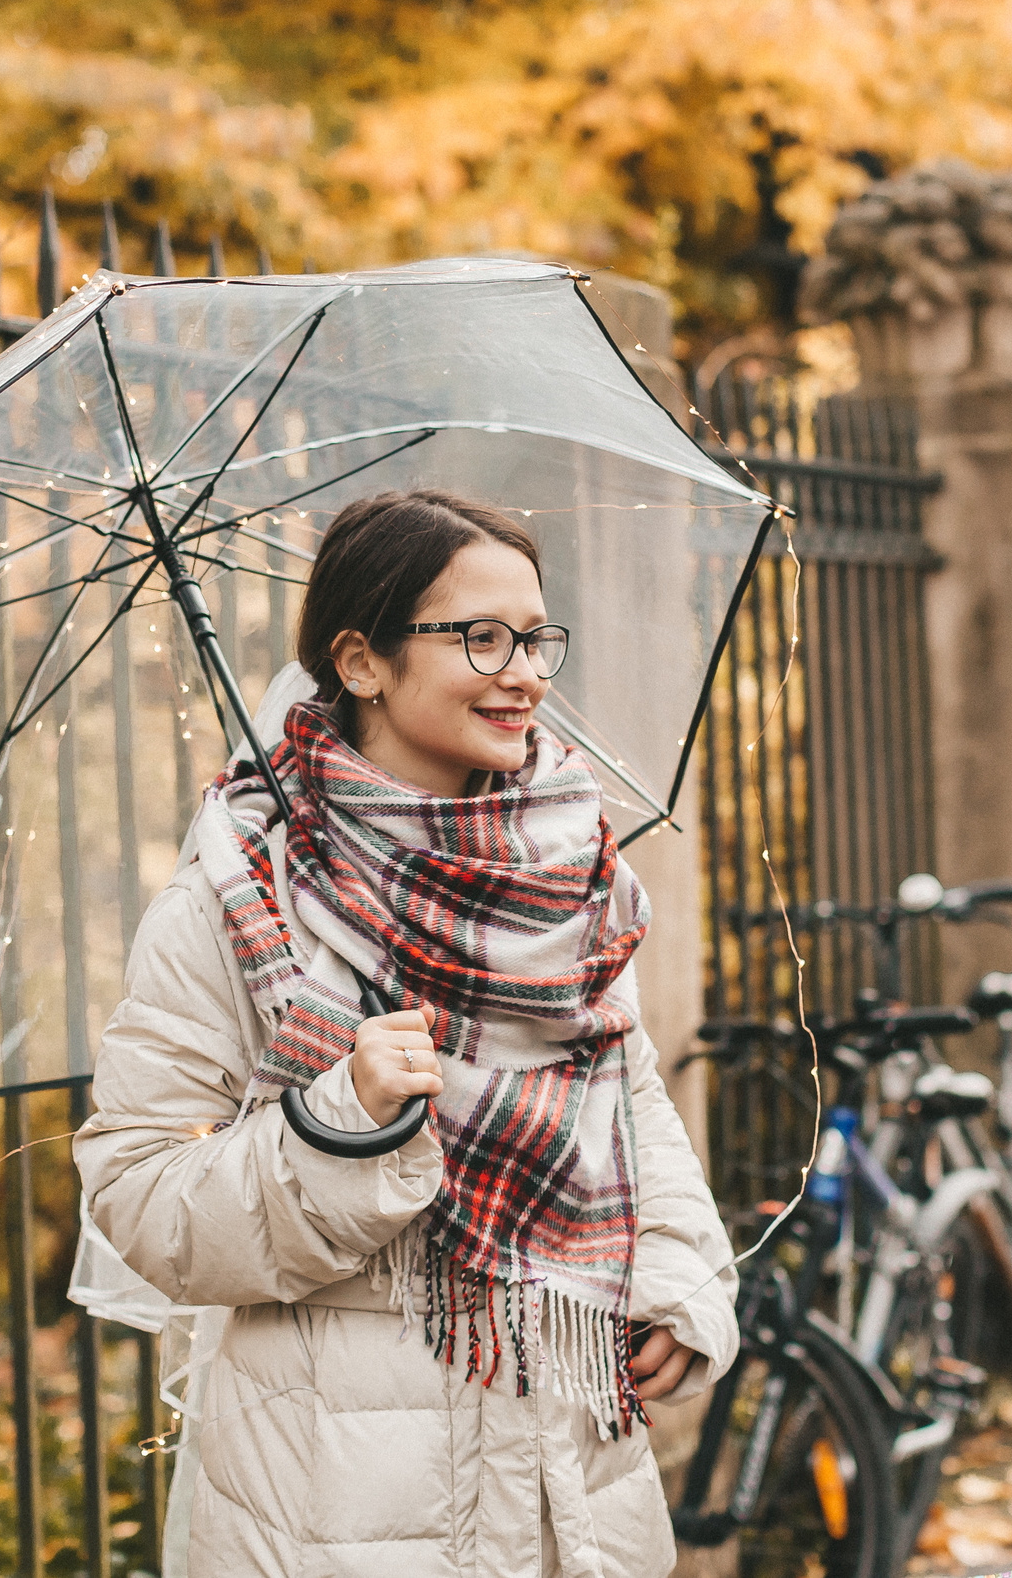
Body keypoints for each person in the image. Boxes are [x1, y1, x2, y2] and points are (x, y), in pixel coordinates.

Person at [74, 488, 737, 1577]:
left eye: (536, 638)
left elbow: (631, 1106)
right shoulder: (239, 899)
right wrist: (343, 1119)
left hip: (566, 1499)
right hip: (334, 1513)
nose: (525, 673)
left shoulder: (566, 873)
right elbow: (139, 1197)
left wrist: (677, 1276)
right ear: (362, 661)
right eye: (482, 638)